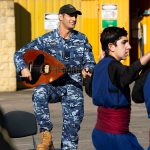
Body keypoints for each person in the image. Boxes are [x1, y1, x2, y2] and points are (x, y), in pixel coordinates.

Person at [14, 4, 95, 150]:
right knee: (39, 92)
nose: (74, 18)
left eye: (75, 15)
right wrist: (23, 68)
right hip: (52, 86)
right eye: (70, 15)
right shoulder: (46, 39)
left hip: (73, 88)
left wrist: (87, 70)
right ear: (60, 17)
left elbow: (90, 62)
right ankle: (46, 134)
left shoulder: (82, 39)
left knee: (71, 134)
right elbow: (19, 54)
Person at [92, 26, 150, 150]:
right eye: (124, 42)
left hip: (99, 134)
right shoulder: (113, 66)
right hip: (116, 138)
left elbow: (90, 90)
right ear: (111, 47)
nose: (129, 46)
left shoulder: (99, 66)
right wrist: (148, 56)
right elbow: (127, 75)